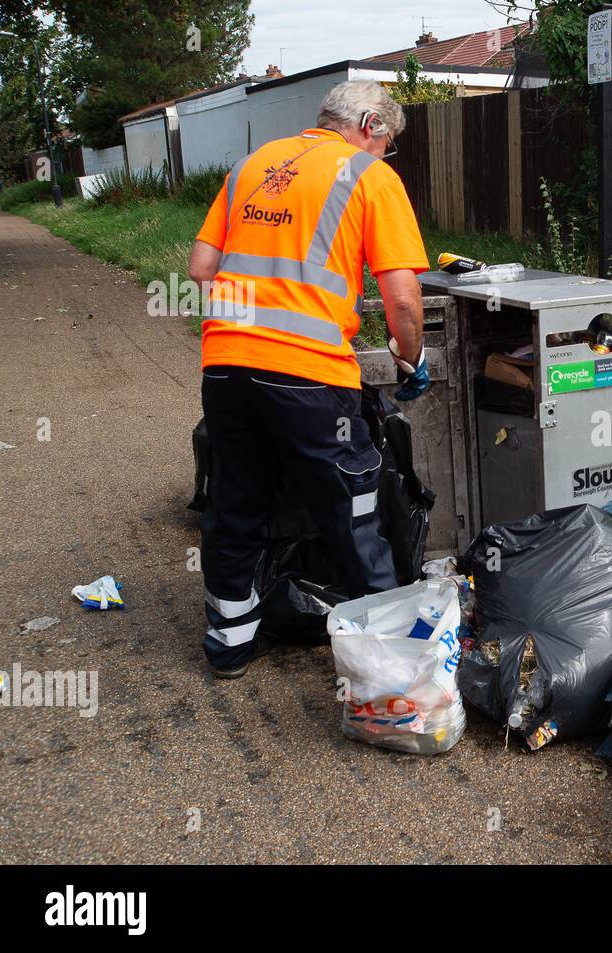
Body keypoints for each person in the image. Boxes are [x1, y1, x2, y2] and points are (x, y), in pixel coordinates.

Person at [187, 81, 430, 679]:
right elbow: (402, 300)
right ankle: (392, 672)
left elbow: (200, 269)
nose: (385, 154)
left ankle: (229, 643)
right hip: (310, 374)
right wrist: (409, 359)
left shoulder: (252, 164)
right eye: (388, 142)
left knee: (236, 500)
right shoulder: (370, 178)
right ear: (370, 123)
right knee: (353, 507)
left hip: (225, 364)